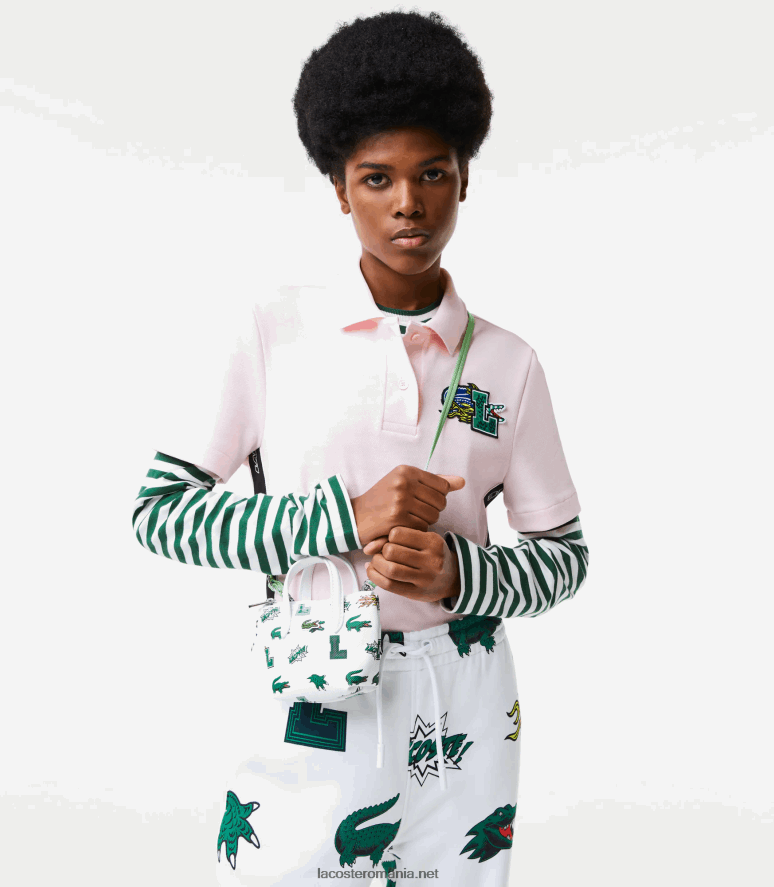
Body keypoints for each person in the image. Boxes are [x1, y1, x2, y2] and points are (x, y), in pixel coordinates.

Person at [132, 10, 589, 886]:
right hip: (313, 683)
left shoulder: (508, 363)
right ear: (341, 189)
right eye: (377, 178)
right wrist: (343, 515)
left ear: (464, 179)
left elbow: (563, 557)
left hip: (465, 696)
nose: (407, 203)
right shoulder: (272, 332)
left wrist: (459, 574)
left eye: (432, 173)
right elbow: (161, 514)